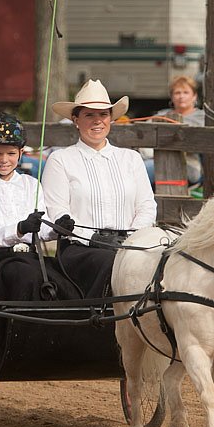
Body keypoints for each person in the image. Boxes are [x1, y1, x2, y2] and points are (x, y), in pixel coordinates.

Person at [0, 113, 77, 376]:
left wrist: (58, 228)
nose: (4, 160)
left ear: (20, 153)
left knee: (65, 283)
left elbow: (42, 228)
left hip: (32, 258)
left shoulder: (32, 184)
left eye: (10, 153)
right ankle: (21, 345)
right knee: (25, 276)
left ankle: (62, 343)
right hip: (0, 262)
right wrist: (19, 228)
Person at [42, 79, 157, 298]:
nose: (97, 121)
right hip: (81, 249)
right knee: (110, 263)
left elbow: (146, 206)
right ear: (76, 120)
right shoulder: (61, 160)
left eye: (103, 114)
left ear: (111, 119)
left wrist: (130, 239)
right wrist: (95, 239)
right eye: (89, 115)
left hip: (130, 245)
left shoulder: (131, 158)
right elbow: (58, 212)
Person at [144, 75, 205, 189]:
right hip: (155, 159)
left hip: (189, 164)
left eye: (186, 92)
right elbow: (144, 136)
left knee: (140, 171)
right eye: (177, 93)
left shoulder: (202, 117)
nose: (181, 96)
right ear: (172, 97)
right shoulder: (161, 115)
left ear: (194, 96)